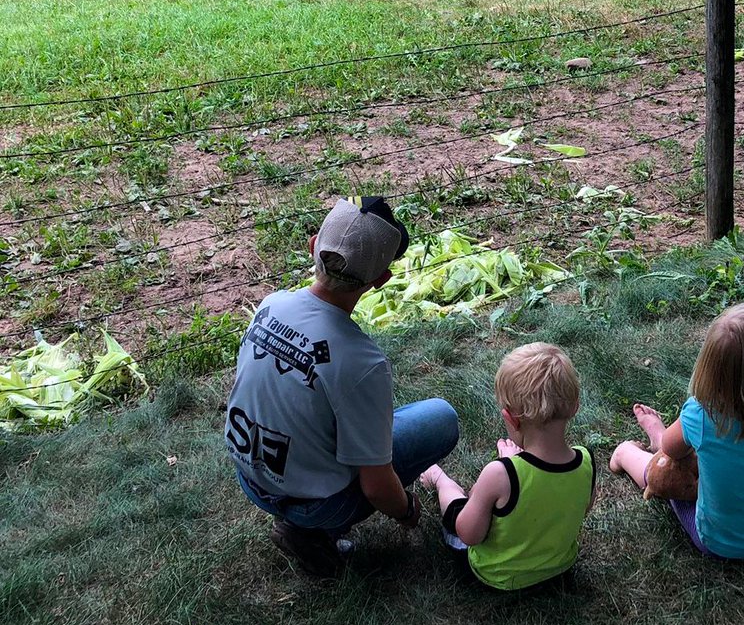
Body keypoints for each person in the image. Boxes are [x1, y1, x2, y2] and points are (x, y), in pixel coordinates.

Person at [225, 195, 459, 578]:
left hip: (250, 478)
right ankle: (314, 529)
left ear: (313, 245)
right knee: (441, 419)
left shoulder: (270, 304)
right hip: (314, 502)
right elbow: (376, 487)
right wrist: (408, 511)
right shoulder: (362, 361)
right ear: (381, 280)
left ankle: (304, 520)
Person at [609, 302, 744, 560]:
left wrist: (667, 439)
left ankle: (624, 453)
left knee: (665, 469)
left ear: (710, 373)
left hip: (718, 542)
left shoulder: (702, 416)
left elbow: (672, 450)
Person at [420, 342, 595, 591]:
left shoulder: (499, 473)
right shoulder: (586, 461)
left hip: (497, 578)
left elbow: (469, 534)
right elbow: (581, 506)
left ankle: (438, 479)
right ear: (575, 406)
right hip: (558, 570)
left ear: (510, 418)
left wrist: (507, 465)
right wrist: (515, 465)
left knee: (458, 510)